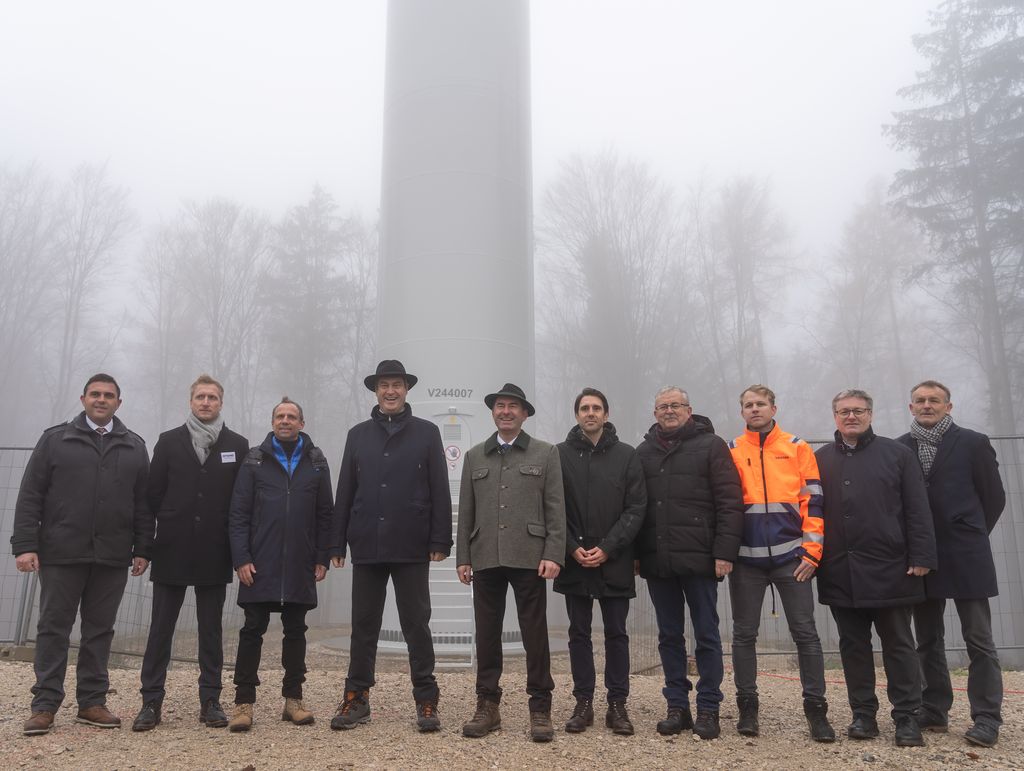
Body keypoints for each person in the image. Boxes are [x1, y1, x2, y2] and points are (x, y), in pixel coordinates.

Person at [12, 373, 150, 736]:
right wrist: (25, 545)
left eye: (109, 395)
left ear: (119, 402)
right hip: (61, 553)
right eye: (95, 394)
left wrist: (142, 548)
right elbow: (31, 495)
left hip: (111, 555)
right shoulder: (55, 440)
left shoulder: (134, 446)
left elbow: (143, 505)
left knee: (99, 631)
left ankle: (91, 702)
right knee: (53, 628)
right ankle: (44, 705)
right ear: (83, 399)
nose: (101, 400)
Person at [329, 360, 453, 732]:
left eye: (396, 384)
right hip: (367, 541)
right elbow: (345, 491)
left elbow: (440, 490)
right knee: (363, 624)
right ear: (376, 390)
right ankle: (356, 698)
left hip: (412, 543)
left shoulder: (427, 433)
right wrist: (337, 542)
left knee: (416, 623)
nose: (390, 391)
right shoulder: (357, 435)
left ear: (406, 389)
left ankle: (427, 700)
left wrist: (440, 539)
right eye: (384, 385)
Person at [815, 388, 937, 747]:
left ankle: (906, 717)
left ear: (870, 414)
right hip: (840, 569)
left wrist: (922, 556)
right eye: (844, 411)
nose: (851, 416)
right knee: (853, 646)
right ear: (834, 416)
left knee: (899, 645)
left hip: (893, 569)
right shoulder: (819, 459)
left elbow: (918, 509)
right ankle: (863, 714)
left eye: (858, 410)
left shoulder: (898, 455)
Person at [131, 374, 250, 732]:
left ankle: (210, 701)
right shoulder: (168, 442)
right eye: (200, 396)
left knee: (211, 631)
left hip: (215, 552)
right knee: (160, 630)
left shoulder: (238, 445)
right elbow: (151, 497)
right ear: (191, 401)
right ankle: (151, 702)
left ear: (221, 402)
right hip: (171, 549)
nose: (206, 402)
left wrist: (239, 550)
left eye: (212, 397)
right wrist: (146, 546)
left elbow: (243, 502)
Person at [456, 383, 566, 742]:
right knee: (487, 634)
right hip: (485, 554)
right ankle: (487, 705)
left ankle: (540, 707)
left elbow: (555, 509)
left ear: (524, 413)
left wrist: (553, 552)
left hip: (529, 556)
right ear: (493, 412)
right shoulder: (475, 456)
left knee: (534, 634)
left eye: (512, 407)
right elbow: (466, 511)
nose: (505, 411)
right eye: (500, 406)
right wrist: (463, 557)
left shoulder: (545, 453)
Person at [899, 380, 1006, 747]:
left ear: (949, 406)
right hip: (922, 557)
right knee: (927, 639)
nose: (927, 405)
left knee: (979, 640)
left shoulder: (974, 443)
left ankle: (987, 717)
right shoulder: (900, 448)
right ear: (910, 407)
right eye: (920, 401)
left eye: (934, 400)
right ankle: (934, 708)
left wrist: (971, 532)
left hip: (966, 555)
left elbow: (993, 498)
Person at [635, 386, 743, 741]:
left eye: (675, 405)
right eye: (662, 406)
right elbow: (635, 508)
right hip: (658, 559)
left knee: (707, 634)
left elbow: (730, 502)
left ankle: (709, 707)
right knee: (668, 636)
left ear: (689, 410)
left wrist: (724, 552)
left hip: (700, 559)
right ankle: (677, 705)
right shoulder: (643, 452)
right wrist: (637, 554)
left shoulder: (711, 446)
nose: (669, 411)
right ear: (655, 414)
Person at [727, 385, 834, 741]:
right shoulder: (731, 450)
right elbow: (726, 507)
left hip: (793, 559)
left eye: (760, 404)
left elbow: (813, 502)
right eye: (748, 405)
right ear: (741, 411)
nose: (754, 409)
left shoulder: (798, 447)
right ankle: (748, 707)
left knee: (806, 634)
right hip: (746, 562)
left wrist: (812, 552)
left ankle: (816, 711)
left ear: (774, 407)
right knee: (744, 635)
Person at [226, 397, 333, 732]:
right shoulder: (254, 460)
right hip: (260, 562)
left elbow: (325, 514)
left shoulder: (316, 461)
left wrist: (321, 556)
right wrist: (241, 557)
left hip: (300, 561)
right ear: (273, 421)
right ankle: (244, 703)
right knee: (252, 630)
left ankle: (293, 700)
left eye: (291, 416)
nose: (285, 421)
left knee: (296, 631)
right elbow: (238, 513)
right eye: (279, 416)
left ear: (302, 423)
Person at [554, 388, 646, 736]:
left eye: (596, 408)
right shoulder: (559, 455)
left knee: (617, 634)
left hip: (615, 559)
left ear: (606, 414)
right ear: (576, 414)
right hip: (574, 559)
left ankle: (618, 704)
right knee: (578, 634)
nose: (590, 413)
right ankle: (583, 703)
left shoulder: (627, 456)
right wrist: (570, 547)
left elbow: (636, 507)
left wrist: (609, 547)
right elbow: (552, 507)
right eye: (584, 408)